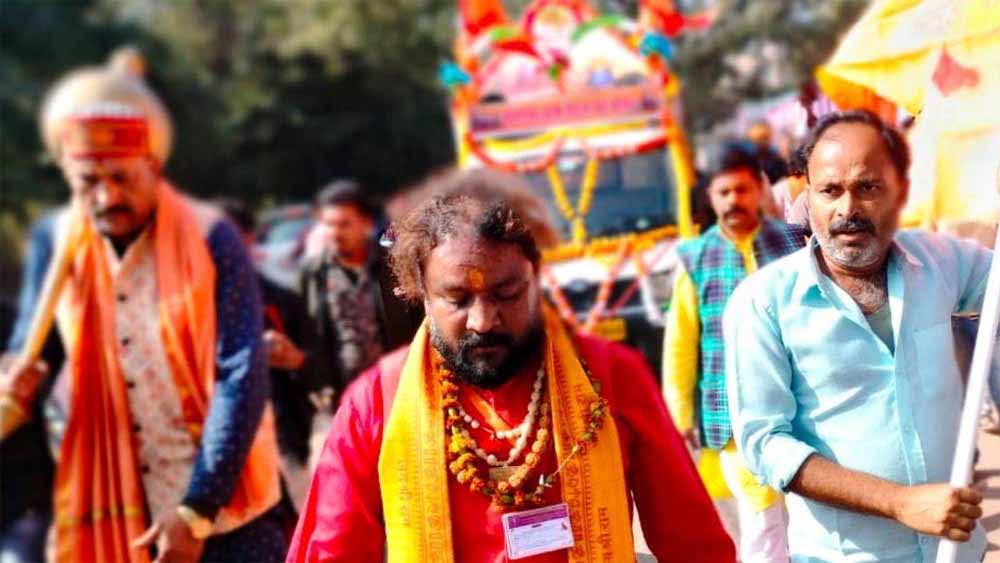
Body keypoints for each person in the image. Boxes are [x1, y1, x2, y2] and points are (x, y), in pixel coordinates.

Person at [287, 168, 735, 562]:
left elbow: (693, 543)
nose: (483, 321)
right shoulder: (377, 401)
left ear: (535, 279)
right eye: (458, 299)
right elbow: (330, 550)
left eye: (506, 294)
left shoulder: (610, 376)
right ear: (420, 292)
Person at [0, 53, 285, 562]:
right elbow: (32, 353)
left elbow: (241, 371)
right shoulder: (54, 240)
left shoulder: (211, 237)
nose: (107, 197)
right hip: (115, 512)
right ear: (68, 177)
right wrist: (16, 385)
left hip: (226, 508)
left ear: (152, 168)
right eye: (88, 182)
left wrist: (197, 509)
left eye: (122, 178)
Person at [724, 110, 997, 561]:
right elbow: (766, 444)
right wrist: (898, 502)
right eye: (830, 190)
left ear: (898, 192)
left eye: (867, 188)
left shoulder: (941, 261)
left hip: (955, 551)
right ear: (807, 197)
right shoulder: (762, 304)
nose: (847, 209)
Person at [663, 146, 803, 561]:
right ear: (711, 196)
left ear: (759, 190)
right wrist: (680, 415)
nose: (733, 201)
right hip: (732, 416)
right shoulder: (694, 259)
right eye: (724, 192)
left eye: (742, 190)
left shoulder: (793, 242)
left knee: (810, 516)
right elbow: (681, 342)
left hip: (800, 401)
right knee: (762, 520)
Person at [216, 198, 318, 510]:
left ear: (248, 239)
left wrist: (296, 360)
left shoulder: (282, 299)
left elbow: (321, 367)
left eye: (226, 236)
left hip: (287, 437)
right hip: (225, 449)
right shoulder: (188, 309)